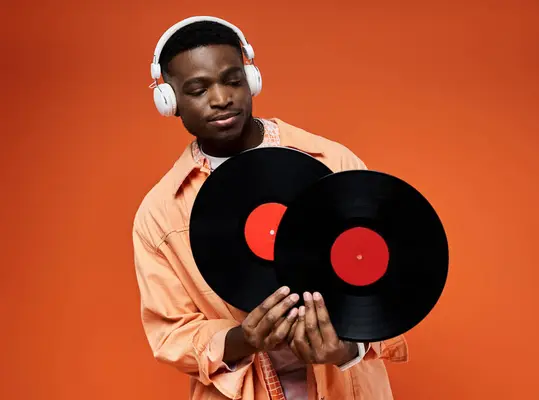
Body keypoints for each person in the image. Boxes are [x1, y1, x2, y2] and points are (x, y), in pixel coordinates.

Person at [132, 16, 409, 400]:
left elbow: (390, 285)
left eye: (232, 80)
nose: (221, 98)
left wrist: (346, 349)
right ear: (170, 101)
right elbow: (169, 333)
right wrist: (242, 339)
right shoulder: (160, 214)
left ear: (252, 79)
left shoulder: (332, 163)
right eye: (198, 89)